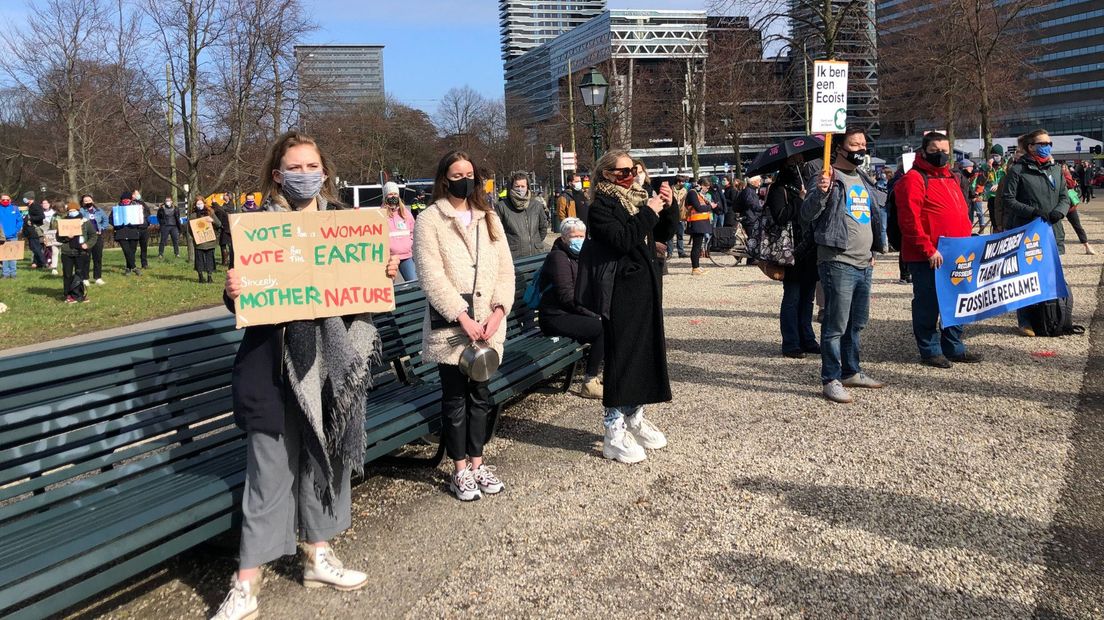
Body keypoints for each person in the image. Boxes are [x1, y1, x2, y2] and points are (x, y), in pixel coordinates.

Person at [213, 131, 399, 620]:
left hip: (331, 367)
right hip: (271, 370)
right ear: (278, 174)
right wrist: (234, 289)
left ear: (324, 171)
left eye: (312, 165)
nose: (304, 175)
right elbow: (244, 298)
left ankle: (318, 553)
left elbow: (364, 285)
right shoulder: (256, 230)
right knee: (268, 472)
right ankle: (246, 580)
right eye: (294, 167)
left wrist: (382, 270)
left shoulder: (345, 223)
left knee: (326, 462)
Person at [413, 150, 515, 502]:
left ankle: (478, 462)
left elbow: (505, 267)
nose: (465, 179)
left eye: (469, 173)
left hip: (488, 322)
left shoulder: (488, 216)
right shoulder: (430, 219)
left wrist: (499, 311)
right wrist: (462, 315)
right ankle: (459, 469)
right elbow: (430, 274)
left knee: (481, 395)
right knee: (455, 397)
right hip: (454, 325)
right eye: (457, 174)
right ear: (444, 179)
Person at [576, 149, 679, 464]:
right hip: (620, 291)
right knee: (623, 356)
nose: (631, 175)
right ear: (607, 175)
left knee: (644, 353)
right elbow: (622, 239)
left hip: (646, 287)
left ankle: (635, 415)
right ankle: (613, 428)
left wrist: (670, 207)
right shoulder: (600, 207)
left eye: (632, 169)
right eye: (623, 172)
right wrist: (649, 211)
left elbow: (661, 233)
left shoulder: (638, 197)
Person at [800, 127, 886, 404]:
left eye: (863, 144)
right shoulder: (826, 177)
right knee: (835, 324)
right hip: (838, 261)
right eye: (854, 144)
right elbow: (807, 214)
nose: (860, 149)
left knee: (857, 322)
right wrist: (821, 193)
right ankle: (831, 378)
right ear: (839, 147)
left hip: (864, 262)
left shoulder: (862, 177)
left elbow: (871, 215)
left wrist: (874, 248)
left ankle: (852, 371)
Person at [896, 132, 982, 368]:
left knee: (958, 302)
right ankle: (930, 350)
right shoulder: (913, 179)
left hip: (957, 253)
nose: (941, 155)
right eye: (935, 150)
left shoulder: (951, 178)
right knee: (928, 304)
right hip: (929, 256)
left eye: (945, 150)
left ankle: (953, 347)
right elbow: (909, 221)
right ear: (923, 151)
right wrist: (927, 249)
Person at [1002, 129, 1071, 337]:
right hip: (1027, 232)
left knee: (1054, 277)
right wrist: (1033, 211)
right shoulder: (1018, 170)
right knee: (1026, 278)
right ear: (1030, 146)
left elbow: (1065, 196)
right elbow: (1008, 199)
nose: (1047, 146)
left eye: (1049, 143)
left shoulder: (1057, 169)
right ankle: (1026, 321)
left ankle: (1058, 318)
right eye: (1042, 143)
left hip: (1052, 231)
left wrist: (1059, 211)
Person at [538, 217, 604, 399]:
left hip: (572, 312)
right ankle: (590, 381)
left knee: (614, 320)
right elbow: (566, 296)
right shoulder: (558, 257)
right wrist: (593, 314)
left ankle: (609, 371)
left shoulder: (581, 255)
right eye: (574, 236)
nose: (579, 239)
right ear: (564, 238)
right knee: (602, 328)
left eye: (582, 235)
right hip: (555, 316)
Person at [768, 155, 819, 358]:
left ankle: (807, 338)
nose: (798, 167)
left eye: (800, 163)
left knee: (808, 298)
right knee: (792, 297)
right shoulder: (778, 189)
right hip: (791, 250)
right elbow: (780, 216)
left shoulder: (807, 185)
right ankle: (791, 342)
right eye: (792, 164)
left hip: (809, 248)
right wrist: (799, 200)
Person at [494, 172, 549, 258]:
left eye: (523, 186)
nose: (520, 189)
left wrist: (534, 242)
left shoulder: (536, 205)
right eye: (517, 186)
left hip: (536, 254)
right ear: (511, 187)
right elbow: (496, 232)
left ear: (528, 187)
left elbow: (543, 228)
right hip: (514, 256)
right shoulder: (502, 206)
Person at [52, 202, 97, 304]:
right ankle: (68, 295)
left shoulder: (85, 222)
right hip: (67, 252)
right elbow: (58, 237)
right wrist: (68, 237)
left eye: (74, 211)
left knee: (79, 273)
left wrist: (87, 244)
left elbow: (93, 235)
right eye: (70, 211)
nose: (72, 213)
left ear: (78, 210)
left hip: (81, 251)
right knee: (67, 274)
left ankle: (79, 294)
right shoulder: (63, 222)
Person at [382, 181, 417, 281]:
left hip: (406, 256)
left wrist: (410, 243)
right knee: (388, 288)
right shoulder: (381, 214)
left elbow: (413, 231)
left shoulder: (405, 213)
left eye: (395, 194)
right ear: (385, 196)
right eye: (390, 194)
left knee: (413, 283)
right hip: (389, 258)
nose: (393, 196)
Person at [1061, 163, 1095, 255]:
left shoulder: (1068, 176)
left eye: (1064, 167)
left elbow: (1072, 185)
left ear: (1067, 168)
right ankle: (1057, 248)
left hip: (1070, 206)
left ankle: (1087, 245)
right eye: (1061, 167)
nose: (1062, 169)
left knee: (1077, 226)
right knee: (1056, 227)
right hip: (1059, 206)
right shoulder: (1057, 176)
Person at [686, 177, 714, 275]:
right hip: (696, 223)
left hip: (700, 223)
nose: (707, 189)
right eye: (706, 187)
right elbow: (698, 208)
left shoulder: (698, 194)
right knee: (696, 246)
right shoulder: (693, 193)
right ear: (701, 185)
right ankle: (695, 268)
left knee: (698, 246)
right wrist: (710, 207)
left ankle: (697, 266)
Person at [190, 197, 221, 283]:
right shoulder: (193, 216)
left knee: (210, 259)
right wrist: (195, 238)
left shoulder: (210, 213)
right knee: (199, 259)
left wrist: (212, 220)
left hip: (210, 241)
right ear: (195, 205)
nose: (199, 205)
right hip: (199, 241)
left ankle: (209, 276)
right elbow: (190, 230)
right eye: (198, 204)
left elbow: (219, 224)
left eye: (201, 203)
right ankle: (200, 276)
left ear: (204, 203)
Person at [112, 192, 142, 276]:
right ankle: (134, 267)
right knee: (126, 251)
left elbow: (140, 219)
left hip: (133, 232)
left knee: (132, 251)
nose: (126, 201)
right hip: (121, 233)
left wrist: (135, 223)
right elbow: (111, 219)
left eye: (127, 199)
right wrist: (117, 224)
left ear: (130, 200)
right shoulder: (117, 208)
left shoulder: (135, 207)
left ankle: (128, 268)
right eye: (124, 199)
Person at [81, 195, 108, 284]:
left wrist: (102, 228)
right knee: (86, 258)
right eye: (85, 201)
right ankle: (85, 278)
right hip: (87, 238)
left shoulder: (99, 211)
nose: (88, 202)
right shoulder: (81, 211)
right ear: (83, 202)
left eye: (89, 200)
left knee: (98, 257)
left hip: (97, 236)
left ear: (92, 200)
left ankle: (98, 277)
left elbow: (105, 220)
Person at [667, 170, 689, 259]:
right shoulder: (670, 190)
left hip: (681, 215)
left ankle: (681, 252)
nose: (683, 183)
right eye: (682, 182)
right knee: (670, 236)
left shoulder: (685, 191)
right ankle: (670, 253)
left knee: (680, 235)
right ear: (678, 182)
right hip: (671, 215)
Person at [0, 194, 21, 278]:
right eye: (3, 199)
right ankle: (5, 274)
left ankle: (13, 273)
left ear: (10, 200)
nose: (5, 201)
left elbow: (19, 221)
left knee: (13, 255)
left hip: (13, 236)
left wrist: (16, 230)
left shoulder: (15, 209)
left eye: (7, 199)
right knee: (3, 256)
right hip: (1, 236)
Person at [24, 197, 46, 269]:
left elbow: (41, 216)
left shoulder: (36, 206)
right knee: (34, 248)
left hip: (34, 230)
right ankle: (39, 263)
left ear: (30, 198)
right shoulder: (29, 206)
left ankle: (44, 262)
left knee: (36, 248)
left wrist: (31, 218)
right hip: (29, 231)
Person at [132, 190, 151, 269]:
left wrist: (147, 222)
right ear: (132, 195)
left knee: (144, 247)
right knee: (133, 248)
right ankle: (132, 264)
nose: (138, 195)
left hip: (144, 228)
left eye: (138, 194)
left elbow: (148, 213)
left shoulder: (143, 204)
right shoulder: (131, 204)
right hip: (135, 228)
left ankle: (144, 263)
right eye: (136, 194)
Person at [214, 197, 233, 267]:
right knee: (223, 245)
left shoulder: (230, 205)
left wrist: (215, 203)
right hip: (224, 228)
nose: (223, 196)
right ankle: (225, 260)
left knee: (227, 245)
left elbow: (221, 210)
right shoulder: (225, 205)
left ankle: (227, 260)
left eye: (225, 195)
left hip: (228, 229)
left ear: (229, 197)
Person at [41, 200, 58, 276]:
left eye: (46, 203)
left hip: (53, 232)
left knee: (52, 248)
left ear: (49, 204)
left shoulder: (53, 212)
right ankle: (46, 261)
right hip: (44, 230)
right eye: (43, 203)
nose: (45, 205)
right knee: (45, 247)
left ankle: (51, 262)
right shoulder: (41, 212)